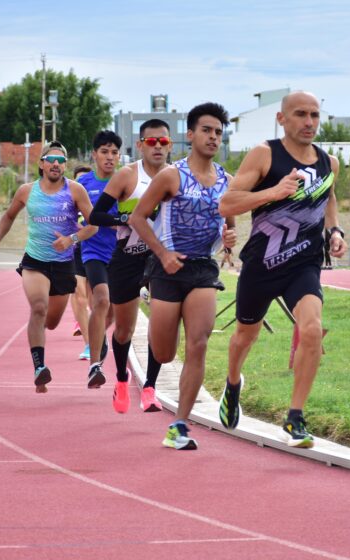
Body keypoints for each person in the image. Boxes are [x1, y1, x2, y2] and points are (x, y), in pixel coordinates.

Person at [217, 91, 348, 448]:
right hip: (261, 265)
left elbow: (329, 197)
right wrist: (273, 192)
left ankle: (295, 417)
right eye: (301, 114)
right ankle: (232, 384)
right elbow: (227, 202)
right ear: (282, 119)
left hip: (303, 264)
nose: (309, 122)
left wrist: (334, 231)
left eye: (315, 115)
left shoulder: (329, 162)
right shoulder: (264, 154)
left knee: (312, 330)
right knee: (245, 336)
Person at [130, 102, 236, 450]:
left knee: (199, 344)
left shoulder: (227, 181)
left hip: (202, 268)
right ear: (190, 135)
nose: (213, 137)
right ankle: (163, 340)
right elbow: (138, 218)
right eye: (206, 130)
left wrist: (230, 241)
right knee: (162, 353)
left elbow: (229, 220)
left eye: (218, 132)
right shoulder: (171, 176)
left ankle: (180, 424)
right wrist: (162, 253)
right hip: (166, 268)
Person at [0, 141, 96, 393]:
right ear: (42, 163)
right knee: (38, 307)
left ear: (65, 165)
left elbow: (94, 226)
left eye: (61, 160)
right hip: (34, 261)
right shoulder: (27, 191)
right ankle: (39, 368)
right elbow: (9, 215)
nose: (56, 164)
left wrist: (71, 239)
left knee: (52, 321)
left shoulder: (76, 191)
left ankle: (41, 335)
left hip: (63, 263)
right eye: (51, 159)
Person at [89, 118, 172, 414]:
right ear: (140, 145)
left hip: (160, 259)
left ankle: (150, 387)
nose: (158, 146)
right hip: (126, 257)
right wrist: (124, 219)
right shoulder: (127, 175)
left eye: (164, 141)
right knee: (124, 330)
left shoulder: (178, 176)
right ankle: (123, 379)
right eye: (152, 141)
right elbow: (95, 217)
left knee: (160, 327)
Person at [78, 131, 122, 389]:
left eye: (114, 152)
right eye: (104, 152)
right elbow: (72, 212)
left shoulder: (125, 182)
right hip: (93, 252)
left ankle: (99, 339)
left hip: (120, 253)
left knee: (113, 312)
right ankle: (95, 364)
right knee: (101, 299)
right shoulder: (83, 183)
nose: (109, 157)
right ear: (94, 154)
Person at [70, 165, 93, 361]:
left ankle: (98, 332)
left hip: (96, 251)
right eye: (79, 180)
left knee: (96, 301)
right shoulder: (69, 198)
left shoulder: (97, 196)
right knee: (79, 295)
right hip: (76, 252)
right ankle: (89, 344)